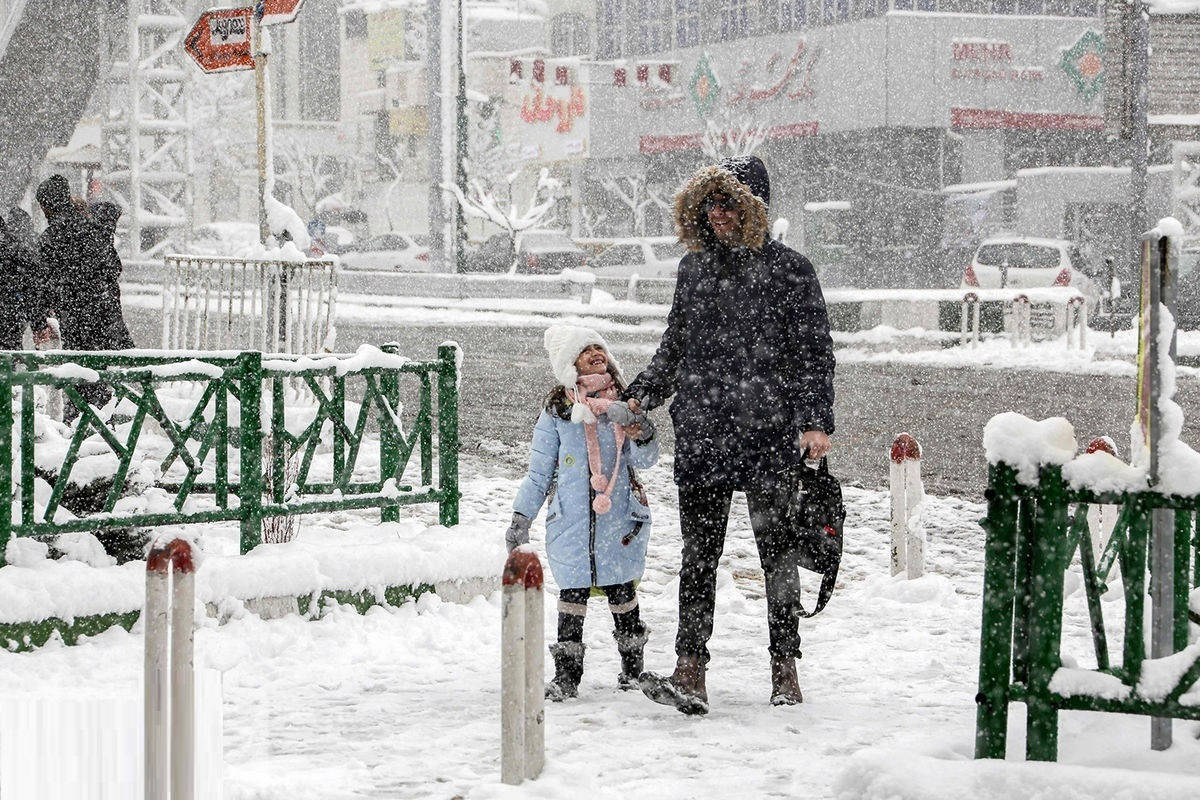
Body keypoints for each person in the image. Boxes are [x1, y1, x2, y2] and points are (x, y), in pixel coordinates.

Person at [625, 155, 836, 715]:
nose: (716, 215)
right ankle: (690, 668)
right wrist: (644, 391)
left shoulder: (792, 270)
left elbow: (814, 354)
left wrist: (815, 420)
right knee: (699, 556)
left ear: (752, 210)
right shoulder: (694, 270)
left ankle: (784, 666)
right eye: (709, 205)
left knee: (778, 556)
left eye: (728, 204)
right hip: (703, 434)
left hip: (770, 436)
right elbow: (676, 343)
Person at [507, 325, 660, 701]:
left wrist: (641, 432)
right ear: (568, 363)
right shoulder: (558, 411)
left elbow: (645, 459)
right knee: (572, 596)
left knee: (622, 592)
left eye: (599, 347)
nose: (596, 353)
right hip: (572, 521)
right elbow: (540, 471)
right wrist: (522, 516)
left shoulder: (624, 403)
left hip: (618, 517)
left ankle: (632, 670)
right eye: (585, 350)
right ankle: (567, 677)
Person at [35, 175, 135, 416]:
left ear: (48, 205)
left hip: (75, 320)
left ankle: (81, 424)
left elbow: (43, 284)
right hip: (102, 317)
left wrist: (40, 318)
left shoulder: (50, 239)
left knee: (78, 376)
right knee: (98, 375)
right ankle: (101, 425)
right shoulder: (93, 230)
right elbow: (113, 268)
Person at [0, 208, 49, 349]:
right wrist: (38, 322)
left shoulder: (13, 245)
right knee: (9, 356)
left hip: (9, 315)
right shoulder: (15, 246)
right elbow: (33, 284)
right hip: (9, 318)